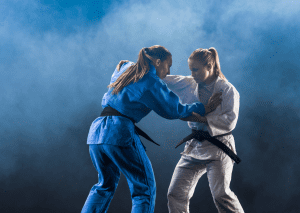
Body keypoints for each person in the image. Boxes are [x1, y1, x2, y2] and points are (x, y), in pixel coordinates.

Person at [81, 45, 222, 213]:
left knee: (104, 185)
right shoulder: (151, 80)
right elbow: (173, 110)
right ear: (157, 61)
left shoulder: (127, 68)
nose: (168, 71)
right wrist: (203, 108)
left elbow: (122, 64)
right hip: (118, 132)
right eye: (168, 65)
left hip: (97, 132)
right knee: (144, 189)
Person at [163, 47, 244, 213]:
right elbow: (163, 79)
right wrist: (137, 68)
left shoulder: (227, 89)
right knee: (175, 193)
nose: (192, 74)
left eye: (195, 69)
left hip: (219, 146)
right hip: (195, 145)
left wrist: (203, 119)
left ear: (210, 67)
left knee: (221, 195)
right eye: (190, 70)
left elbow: (230, 121)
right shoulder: (188, 83)